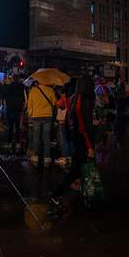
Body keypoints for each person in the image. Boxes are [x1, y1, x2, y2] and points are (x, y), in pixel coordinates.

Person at [50, 76, 96, 204]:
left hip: (76, 136)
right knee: (77, 169)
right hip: (83, 138)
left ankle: (81, 191)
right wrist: (90, 145)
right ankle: (57, 193)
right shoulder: (85, 99)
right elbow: (85, 124)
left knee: (78, 168)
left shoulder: (74, 97)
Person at [26, 80, 57, 166]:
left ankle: (36, 155)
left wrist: (30, 115)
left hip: (36, 116)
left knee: (36, 136)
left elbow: (30, 104)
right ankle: (47, 157)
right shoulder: (51, 90)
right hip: (48, 116)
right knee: (47, 137)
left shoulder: (33, 90)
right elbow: (54, 103)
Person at [4, 74, 26, 151]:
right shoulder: (22, 87)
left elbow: (5, 97)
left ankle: (9, 142)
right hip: (18, 109)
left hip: (10, 108)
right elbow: (24, 99)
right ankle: (17, 143)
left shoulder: (8, 87)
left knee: (10, 126)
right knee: (17, 126)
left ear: (13, 79)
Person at [55, 87, 72, 166]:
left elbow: (57, 104)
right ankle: (69, 156)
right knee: (68, 138)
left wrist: (56, 101)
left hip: (62, 120)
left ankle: (64, 157)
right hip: (68, 120)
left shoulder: (63, 99)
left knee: (63, 139)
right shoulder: (70, 99)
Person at [114, 77, 127, 146]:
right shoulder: (119, 85)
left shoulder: (120, 85)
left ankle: (118, 127)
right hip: (120, 99)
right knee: (120, 114)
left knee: (120, 114)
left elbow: (119, 93)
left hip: (120, 99)